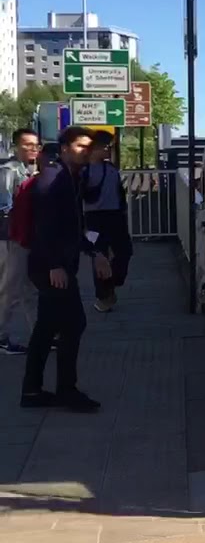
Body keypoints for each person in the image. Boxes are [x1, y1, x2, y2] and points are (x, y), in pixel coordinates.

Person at [21, 126, 110, 412]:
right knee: (73, 324)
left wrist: (94, 252)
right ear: (63, 149)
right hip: (49, 267)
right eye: (80, 146)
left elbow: (73, 227)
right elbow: (44, 227)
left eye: (88, 147)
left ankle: (32, 392)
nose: (86, 151)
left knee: (47, 327)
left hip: (54, 265)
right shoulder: (52, 179)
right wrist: (55, 265)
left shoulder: (72, 178)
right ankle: (66, 391)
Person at [0, 129, 41, 354]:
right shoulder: (9, 171)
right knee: (9, 290)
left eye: (36, 144)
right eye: (27, 144)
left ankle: (41, 334)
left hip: (24, 237)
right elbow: (5, 205)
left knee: (28, 289)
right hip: (11, 238)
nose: (33, 148)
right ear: (16, 146)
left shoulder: (29, 170)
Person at [82, 131, 131, 313]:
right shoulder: (84, 171)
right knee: (99, 256)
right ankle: (103, 296)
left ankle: (112, 282)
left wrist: (123, 209)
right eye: (107, 146)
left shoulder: (111, 168)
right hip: (93, 219)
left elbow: (119, 192)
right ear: (95, 148)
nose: (110, 150)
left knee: (125, 252)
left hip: (115, 216)